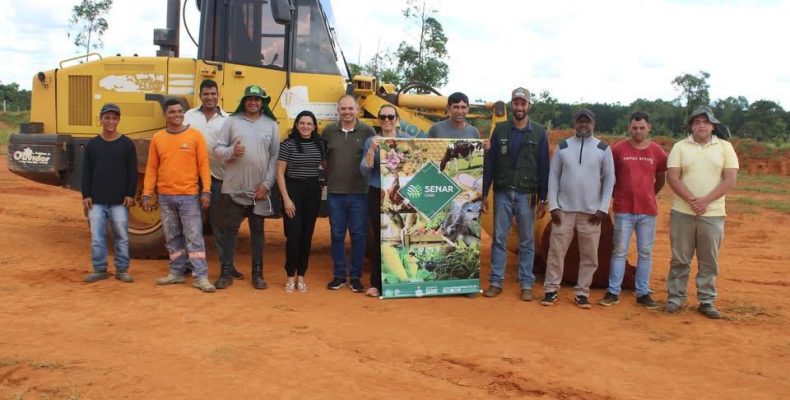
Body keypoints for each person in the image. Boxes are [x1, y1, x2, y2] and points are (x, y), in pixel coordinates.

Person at [665, 106, 738, 319]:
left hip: (713, 213)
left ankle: (707, 300)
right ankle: (675, 298)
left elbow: (730, 178)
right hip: (682, 212)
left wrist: (705, 201)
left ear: (713, 125)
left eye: (705, 122)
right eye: (697, 122)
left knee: (709, 260)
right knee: (680, 258)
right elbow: (673, 177)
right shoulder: (680, 147)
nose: (701, 125)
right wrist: (691, 200)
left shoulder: (725, 147)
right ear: (691, 126)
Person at [540, 109, 615, 309]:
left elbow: (609, 180)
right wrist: (553, 205)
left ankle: (582, 292)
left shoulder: (603, 148)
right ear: (575, 123)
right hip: (563, 211)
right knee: (556, 252)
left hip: (591, 214)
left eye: (587, 122)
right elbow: (553, 177)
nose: (584, 125)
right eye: (580, 122)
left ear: (593, 124)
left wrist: (603, 209)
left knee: (589, 255)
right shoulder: (563, 146)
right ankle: (551, 290)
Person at [481, 87, 549, 301]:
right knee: (499, 239)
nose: (519, 107)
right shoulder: (500, 130)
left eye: (523, 103)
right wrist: (484, 194)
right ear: (512, 105)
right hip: (502, 191)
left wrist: (543, 198)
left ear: (529, 106)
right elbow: (490, 163)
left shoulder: (539, 132)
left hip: (526, 194)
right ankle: (495, 282)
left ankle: (526, 284)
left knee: (527, 241)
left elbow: (544, 167)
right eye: (516, 103)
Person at [142, 99, 215, 293]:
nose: (177, 115)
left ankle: (201, 277)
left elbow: (203, 166)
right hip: (165, 197)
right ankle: (176, 272)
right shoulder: (157, 138)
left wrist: (206, 191)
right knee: (172, 237)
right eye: (172, 112)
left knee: (194, 237)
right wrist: (147, 193)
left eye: (180, 111)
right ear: (165, 115)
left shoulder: (195, 136)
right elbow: (151, 168)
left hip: (189, 196)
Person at [213, 85, 279, 290]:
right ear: (244, 101)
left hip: (258, 191)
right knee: (230, 230)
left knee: (257, 232)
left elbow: (275, 158)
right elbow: (217, 150)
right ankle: (225, 272)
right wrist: (232, 150)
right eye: (249, 98)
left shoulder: (271, 124)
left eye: (257, 99)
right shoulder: (231, 121)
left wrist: (267, 184)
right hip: (233, 188)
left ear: (263, 103)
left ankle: (258, 275)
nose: (253, 102)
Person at [599, 112, 667, 308]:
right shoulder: (618, 150)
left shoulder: (657, 151)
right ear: (629, 128)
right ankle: (613, 291)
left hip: (647, 211)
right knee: (619, 251)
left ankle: (643, 293)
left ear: (649, 128)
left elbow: (660, 178)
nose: (638, 131)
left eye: (642, 128)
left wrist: (649, 194)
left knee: (645, 252)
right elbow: (608, 177)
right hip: (624, 210)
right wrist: (617, 195)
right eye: (635, 127)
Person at [183, 79, 245, 282]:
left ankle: (227, 265)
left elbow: (234, 147)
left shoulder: (228, 119)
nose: (209, 97)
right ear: (200, 95)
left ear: (218, 95)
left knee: (220, 224)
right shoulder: (189, 116)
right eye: (205, 94)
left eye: (212, 94)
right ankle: (187, 264)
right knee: (191, 223)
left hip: (219, 177)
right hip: (192, 177)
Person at [322, 94, 375, 292]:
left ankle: (355, 277)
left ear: (357, 110)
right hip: (335, 192)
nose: (347, 112)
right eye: (343, 109)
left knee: (358, 236)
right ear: (338, 111)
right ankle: (338, 276)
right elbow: (324, 159)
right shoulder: (328, 132)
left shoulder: (367, 131)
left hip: (359, 193)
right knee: (336, 235)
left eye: (350, 109)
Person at [81, 103, 137, 283]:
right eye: (107, 117)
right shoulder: (93, 145)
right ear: (101, 119)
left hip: (119, 201)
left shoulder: (127, 144)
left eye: (114, 118)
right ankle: (99, 269)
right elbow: (86, 172)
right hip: (96, 200)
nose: (111, 121)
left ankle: (122, 270)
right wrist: (86, 195)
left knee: (121, 236)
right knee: (97, 238)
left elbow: (132, 172)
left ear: (118, 120)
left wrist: (130, 194)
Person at [359, 105, 410, 297]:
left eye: (390, 116)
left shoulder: (407, 141)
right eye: (383, 117)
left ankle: (404, 279)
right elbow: (364, 169)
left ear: (397, 119)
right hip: (377, 193)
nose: (387, 120)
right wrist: (372, 149)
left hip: (401, 194)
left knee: (401, 233)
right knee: (380, 237)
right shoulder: (371, 140)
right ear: (378, 120)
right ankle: (377, 283)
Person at [276, 111, 326, 293]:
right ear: (296, 125)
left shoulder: (319, 144)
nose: (305, 126)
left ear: (314, 126)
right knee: (294, 236)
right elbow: (280, 172)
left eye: (309, 123)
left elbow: (326, 166)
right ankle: (290, 276)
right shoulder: (287, 145)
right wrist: (286, 199)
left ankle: (302, 276)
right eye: (302, 123)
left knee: (306, 237)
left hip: (312, 192)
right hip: (292, 191)